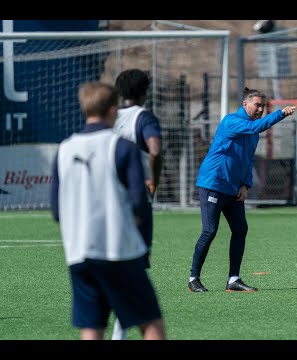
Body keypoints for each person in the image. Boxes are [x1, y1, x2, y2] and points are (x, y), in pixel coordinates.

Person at [50, 81, 167, 340]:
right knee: (151, 325)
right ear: (113, 110)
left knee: (91, 328)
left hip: (79, 253)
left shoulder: (63, 149)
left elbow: (57, 211)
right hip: (118, 251)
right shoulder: (122, 148)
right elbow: (139, 201)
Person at [188, 87, 296, 292]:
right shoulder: (232, 122)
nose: (260, 109)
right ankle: (193, 279)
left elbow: (247, 161)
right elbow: (258, 127)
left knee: (240, 229)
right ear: (245, 104)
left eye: (263, 106)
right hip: (213, 184)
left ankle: (233, 280)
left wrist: (245, 185)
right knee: (210, 230)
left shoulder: (252, 132)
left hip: (233, 188)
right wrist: (280, 113)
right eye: (257, 105)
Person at [111, 69, 163, 339]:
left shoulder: (109, 118)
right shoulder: (143, 118)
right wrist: (153, 179)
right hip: (135, 201)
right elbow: (155, 149)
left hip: (108, 199)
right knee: (134, 271)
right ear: (145, 91)